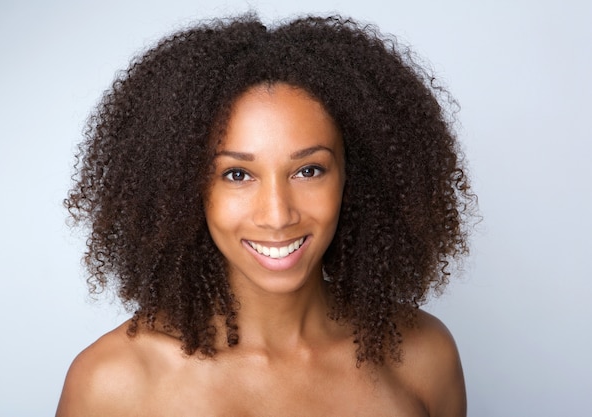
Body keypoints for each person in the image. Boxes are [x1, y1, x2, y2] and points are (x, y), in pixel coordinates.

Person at [56, 14, 474, 417]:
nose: (277, 215)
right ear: (182, 189)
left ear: (357, 176)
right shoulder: (114, 383)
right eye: (237, 174)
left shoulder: (422, 357)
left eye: (308, 170)